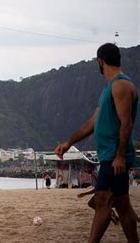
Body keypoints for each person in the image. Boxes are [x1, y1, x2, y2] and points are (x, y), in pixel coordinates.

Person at [54, 43, 138, 242]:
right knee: (122, 205)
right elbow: (93, 122)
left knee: (102, 201)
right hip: (110, 155)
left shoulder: (121, 85)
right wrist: (68, 142)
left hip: (115, 157)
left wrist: (119, 156)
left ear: (100, 62)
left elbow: (127, 123)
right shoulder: (109, 89)